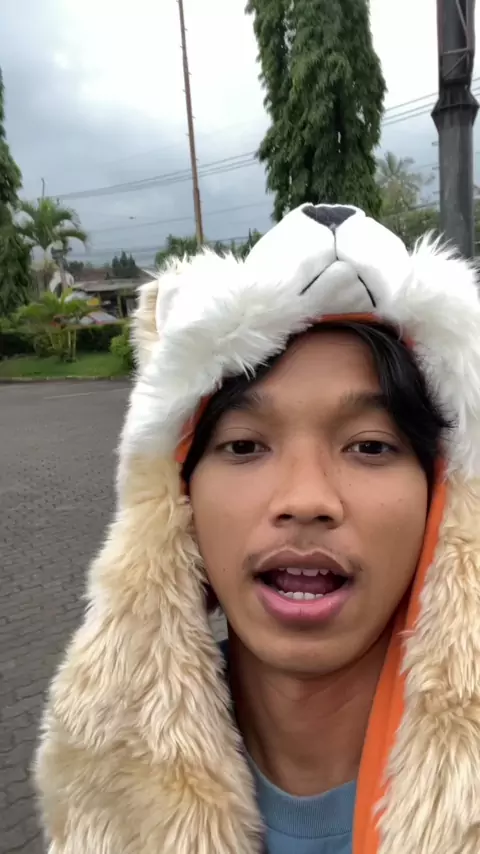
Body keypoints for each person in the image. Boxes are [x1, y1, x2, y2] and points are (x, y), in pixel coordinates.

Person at [35, 204, 480, 854]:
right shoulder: (105, 786)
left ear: (444, 501)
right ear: (176, 504)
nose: (306, 500)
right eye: (244, 446)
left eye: (370, 446)